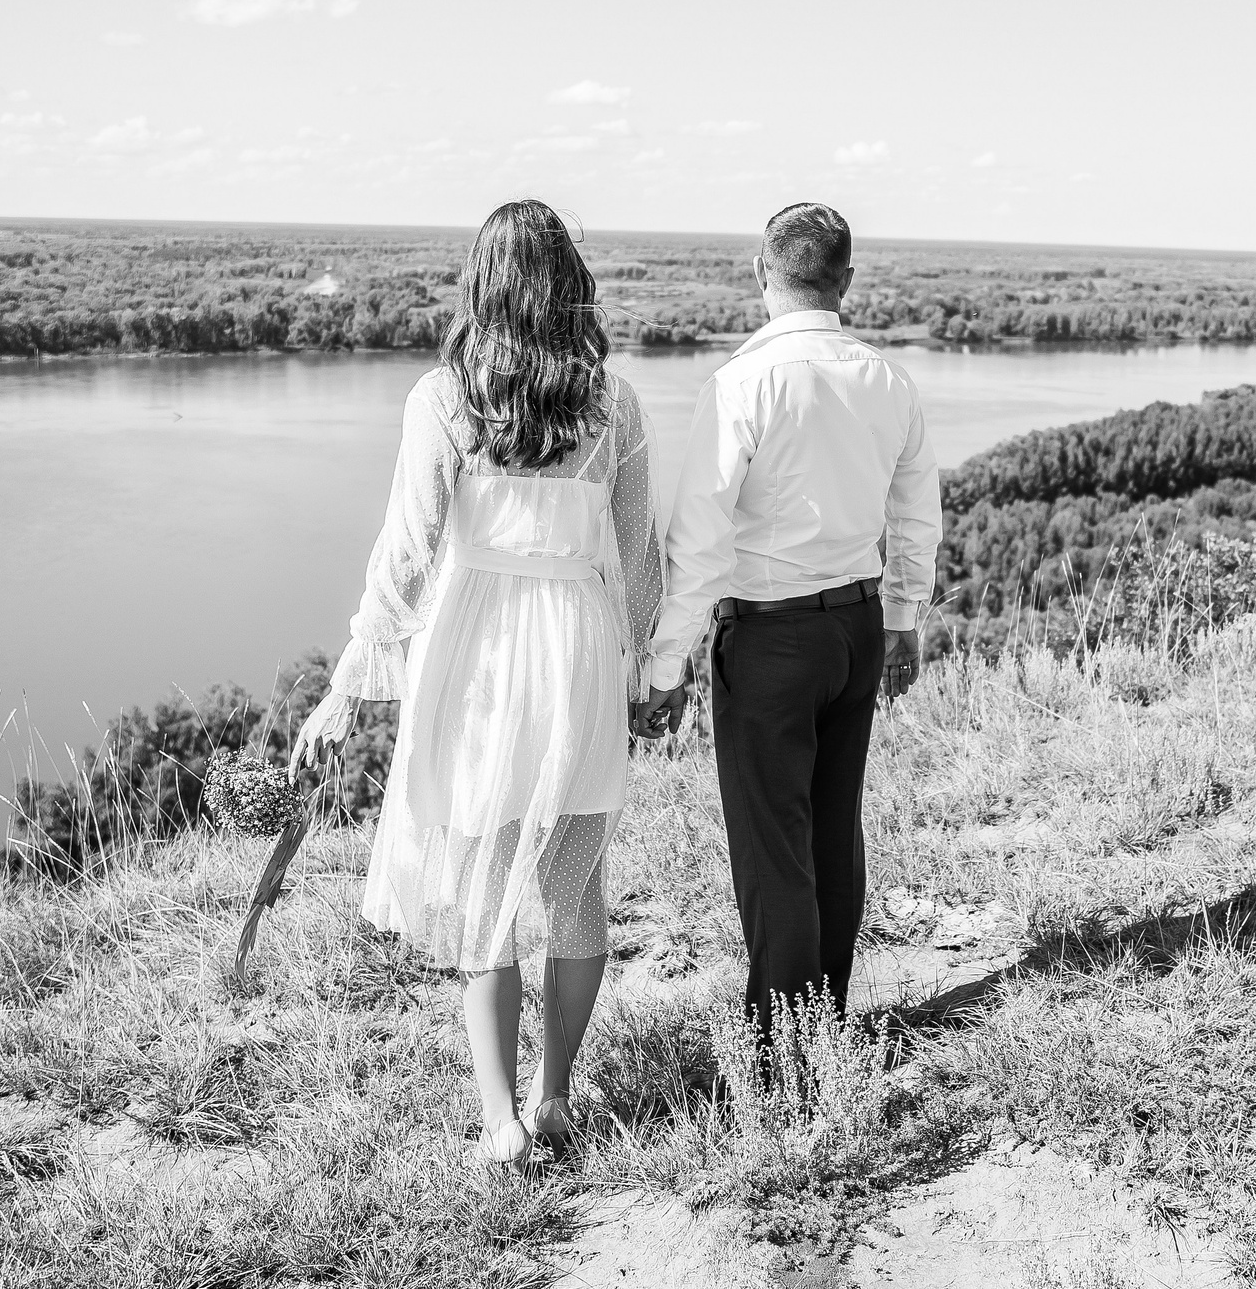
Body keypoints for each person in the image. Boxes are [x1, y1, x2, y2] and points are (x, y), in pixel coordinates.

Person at [294, 199, 661, 1169]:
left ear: (482, 286)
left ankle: (501, 1119)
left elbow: (408, 549)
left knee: (486, 886)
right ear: (569, 279)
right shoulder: (613, 402)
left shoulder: (445, 397)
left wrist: (352, 673)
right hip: (577, 647)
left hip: (481, 653)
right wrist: (646, 666)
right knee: (575, 888)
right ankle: (555, 1094)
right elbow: (640, 556)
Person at [635, 202, 942, 1030]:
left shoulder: (742, 383)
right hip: (857, 627)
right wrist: (902, 617)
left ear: (760, 275)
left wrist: (665, 665)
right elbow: (917, 516)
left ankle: (782, 1051)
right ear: (846, 280)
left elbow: (698, 543)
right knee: (834, 834)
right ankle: (824, 1023)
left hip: (770, 637)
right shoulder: (888, 379)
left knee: (775, 851)